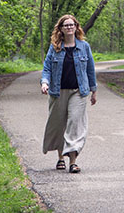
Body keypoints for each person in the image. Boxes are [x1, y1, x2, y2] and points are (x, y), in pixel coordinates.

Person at [40, 14, 97, 174]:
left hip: (79, 92)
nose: (69, 27)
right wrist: (45, 82)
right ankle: (60, 158)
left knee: (74, 123)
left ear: (76, 27)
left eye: (72, 25)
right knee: (59, 124)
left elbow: (90, 69)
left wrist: (94, 90)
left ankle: (73, 162)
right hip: (58, 92)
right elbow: (47, 68)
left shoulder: (84, 46)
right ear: (61, 29)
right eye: (66, 25)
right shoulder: (55, 47)